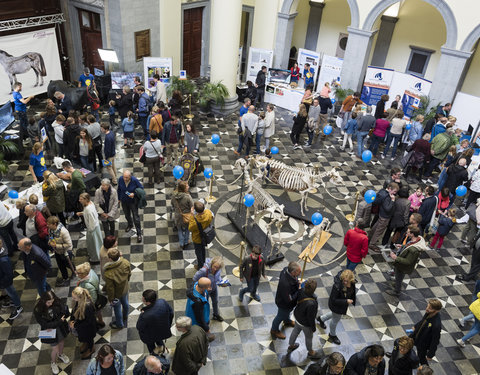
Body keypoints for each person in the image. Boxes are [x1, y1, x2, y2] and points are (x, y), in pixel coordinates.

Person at [34, 290, 70, 374]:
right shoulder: (38, 309)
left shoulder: (56, 302)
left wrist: (59, 320)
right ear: (43, 301)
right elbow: (44, 324)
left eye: (52, 301)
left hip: (60, 328)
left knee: (61, 342)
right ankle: (53, 362)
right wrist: (59, 321)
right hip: (50, 331)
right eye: (49, 302)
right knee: (55, 349)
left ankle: (61, 355)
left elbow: (64, 312)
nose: (51, 304)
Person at [317, 269, 356, 345]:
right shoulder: (337, 286)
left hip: (342, 306)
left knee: (335, 315)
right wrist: (346, 301)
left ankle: (321, 319)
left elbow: (352, 292)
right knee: (335, 320)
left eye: (347, 281)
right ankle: (332, 335)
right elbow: (334, 300)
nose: (345, 282)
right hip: (336, 306)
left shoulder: (352, 283)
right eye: (344, 280)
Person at [386, 225, 426, 297]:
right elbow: (408, 246)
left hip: (402, 266)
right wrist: (402, 246)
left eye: (408, 232)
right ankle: (396, 283)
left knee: (399, 276)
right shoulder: (415, 240)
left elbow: (408, 261)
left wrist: (395, 257)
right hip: (401, 262)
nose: (406, 233)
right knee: (398, 276)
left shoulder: (414, 250)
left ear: (412, 234)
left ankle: (397, 291)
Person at [287, 279, 322, 359]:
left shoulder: (301, 290)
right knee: (309, 337)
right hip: (305, 324)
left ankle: (291, 345)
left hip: (297, 317)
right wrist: (313, 328)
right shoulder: (312, 304)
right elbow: (311, 318)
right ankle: (310, 352)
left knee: (295, 331)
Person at [136, 289, 173, 353]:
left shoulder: (145, 315)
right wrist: (167, 325)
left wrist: (142, 314)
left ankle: (154, 357)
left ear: (146, 301)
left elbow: (139, 327)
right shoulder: (162, 302)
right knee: (160, 342)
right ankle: (163, 354)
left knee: (152, 349)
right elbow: (171, 313)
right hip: (162, 332)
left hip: (150, 336)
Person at [270, 261, 301, 340]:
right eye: (298, 272)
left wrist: (297, 282)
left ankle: (287, 320)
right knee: (280, 316)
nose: (300, 273)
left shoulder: (286, 270)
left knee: (286, 313)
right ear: (293, 272)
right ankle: (274, 329)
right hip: (284, 303)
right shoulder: (286, 284)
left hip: (285, 300)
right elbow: (289, 299)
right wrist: (299, 291)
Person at [104, 247, 131, 329]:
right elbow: (129, 274)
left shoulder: (108, 272)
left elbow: (110, 288)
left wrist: (111, 298)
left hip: (116, 294)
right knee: (125, 302)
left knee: (117, 308)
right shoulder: (126, 262)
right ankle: (125, 316)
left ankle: (120, 324)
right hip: (125, 288)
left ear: (110, 259)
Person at [193, 256, 226, 321]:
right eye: (214, 266)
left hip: (213, 288)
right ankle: (204, 318)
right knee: (205, 304)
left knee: (215, 301)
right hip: (205, 291)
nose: (215, 269)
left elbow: (218, 277)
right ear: (212, 264)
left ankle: (216, 315)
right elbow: (195, 279)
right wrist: (201, 287)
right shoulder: (204, 270)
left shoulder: (218, 270)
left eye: (218, 267)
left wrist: (221, 282)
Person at [410, 298, 442, 365]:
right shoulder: (429, 312)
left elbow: (435, 341)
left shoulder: (436, 325)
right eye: (427, 306)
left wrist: (430, 355)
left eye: (430, 308)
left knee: (421, 358)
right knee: (405, 344)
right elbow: (423, 320)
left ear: (436, 311)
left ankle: (426, 371)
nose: (427, 309)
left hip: (423, 343)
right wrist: (416, 326)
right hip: (416, 334)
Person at [368, 182, 399, 252]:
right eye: (394, 191)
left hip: (381, 214)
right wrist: (393, 201)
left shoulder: (382, 191)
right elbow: (387, 209)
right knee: (379, 231)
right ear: (390, 189)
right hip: (385, 217)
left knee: (375, 227)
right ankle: (372, 244)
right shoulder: (387, 197)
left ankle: (369, 238)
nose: (394, 193)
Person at [70, 287, 97, 359]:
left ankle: (91, 349)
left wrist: (75, 325)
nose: (73, 299)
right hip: (81, 327)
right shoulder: (77, 302)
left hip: (88, 329)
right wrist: (71, 320)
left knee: (89, 339)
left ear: (80, 297)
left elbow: (89, 321)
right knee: (84, 337)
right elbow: (73, 311)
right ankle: (85, 343)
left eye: (74, 298)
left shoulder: (87, 306)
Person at [47, 216, 75, 286]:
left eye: (49, 224)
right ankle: (65, 278)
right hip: (57, 251)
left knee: (68, 264)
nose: (47, 225)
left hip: (65, 252)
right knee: (61, 266)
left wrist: (56, 245)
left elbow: (69, 244)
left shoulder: (63, 232)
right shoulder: (51, 230)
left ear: (54, 224)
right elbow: (51, 237)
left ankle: (74, 272)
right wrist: (50, 242)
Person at [185, 276, 215, 341]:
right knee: (199, 333)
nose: (210, 287)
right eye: (209, 286)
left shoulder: (196, 284)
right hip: (196, 321)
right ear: (203, 288)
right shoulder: (197, 302)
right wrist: (206, 329)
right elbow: (199, 318)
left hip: (200, 313)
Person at [76, 262, 105, 328]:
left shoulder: (87, 285)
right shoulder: (90, 271)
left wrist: (88, 307)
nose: (76, 274)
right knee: (98, 312)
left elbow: (93, 298)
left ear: (83, 274)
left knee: (95, 313)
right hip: (97, 293)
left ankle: (99, 323)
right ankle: (100, 321)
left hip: (92, 302)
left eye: (78, 273)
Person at [117, 170, 144, 242]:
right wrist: (119, 198)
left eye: (126, 177)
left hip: (133, 202)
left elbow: (141, 188)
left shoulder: (134, 180)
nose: (125, 179)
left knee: (136, 217)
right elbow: (119, 189)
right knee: (127, 215)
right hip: (124, 201)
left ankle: (139, 234)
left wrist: (134, 194)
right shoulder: (120, 179)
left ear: (130, 176)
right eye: (124, 177)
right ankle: (130, 224)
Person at [0, 240, 23, 320]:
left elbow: (9, 274)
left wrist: (2, 282)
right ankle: (13, 301)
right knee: (10, 293)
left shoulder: (3, 260)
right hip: (3, 280)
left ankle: (18, 306)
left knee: (12, 292)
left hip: (6, 281)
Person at [78, 193, 102, 263]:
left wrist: (90, 231)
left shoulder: (88, 209)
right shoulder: (90, 203)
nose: (79, 200)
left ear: (86, 199)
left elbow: (92, 221)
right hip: (95, 227)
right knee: (97, 243)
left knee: (94, 245)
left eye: (81, 199)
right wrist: (82, 213)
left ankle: (96, 258)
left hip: (93, 229)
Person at [188, 201, 213, 269]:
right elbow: (212, 216)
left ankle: (200, 266)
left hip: (198, 238)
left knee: (198, 252)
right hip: (205, 235)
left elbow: (190, 228)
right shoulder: (208, 212)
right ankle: (203, 262)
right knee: (203, 250)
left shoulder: (195, 221)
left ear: (196, 210)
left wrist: (192, 216)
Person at [457, 280, 480, 347]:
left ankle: (469, 335)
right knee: (477, 329)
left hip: (476, 308)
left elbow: (478, 294)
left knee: (476, 324)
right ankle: (462, 340)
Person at [172, 180, 194, 249]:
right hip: (186, 216)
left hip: (178, 216)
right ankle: (186, 242)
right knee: (187, 229)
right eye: (187, 186)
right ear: (184, 188)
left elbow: (172, 204)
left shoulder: (174, 196)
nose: (188, 187)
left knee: (180, 230)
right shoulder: (187, 197)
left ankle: (181, 243)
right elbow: (192, 206)